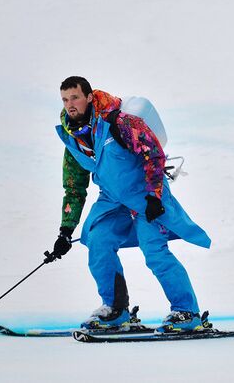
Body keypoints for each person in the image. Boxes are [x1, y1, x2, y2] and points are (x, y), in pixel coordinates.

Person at [45, 76, 211, 333]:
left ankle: (187, 312)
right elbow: (74, 188)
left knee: (153, 249)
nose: (70, 104)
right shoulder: (73, 140)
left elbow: (153, 153)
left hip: (146, 193)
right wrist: (65, 231)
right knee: (98, 241)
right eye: (65, 99)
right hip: (111, 198)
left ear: (89, 97)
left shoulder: (119, 122)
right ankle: (115, 310)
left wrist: (155, 195)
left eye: (75, 97)